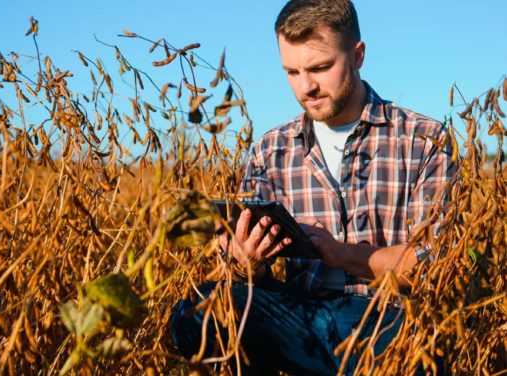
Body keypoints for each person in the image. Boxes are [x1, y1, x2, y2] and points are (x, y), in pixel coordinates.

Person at [171, 0, 458, 374]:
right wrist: (247, 264)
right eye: (292, 71)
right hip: (299, 316)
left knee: (408, 342)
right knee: (196, 311)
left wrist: (341, 253)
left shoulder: (423, 138)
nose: (306, 86)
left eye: (321, 67)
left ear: (357, 56)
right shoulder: (270, 149)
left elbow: (436, 264)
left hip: (387, 320)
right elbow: (244, 281)